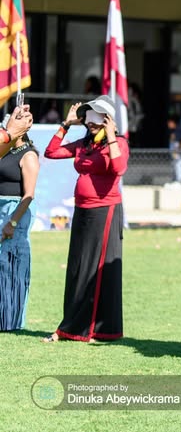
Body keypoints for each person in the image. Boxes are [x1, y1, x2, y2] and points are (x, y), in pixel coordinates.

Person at [42, 95, 129, 342]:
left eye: (97, 117)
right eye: (88, 117)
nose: (91, 122)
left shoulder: (118, 142)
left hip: (105, 211)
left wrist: (111, 134)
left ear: (107, 119)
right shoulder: (83, 144)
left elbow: (119, 168)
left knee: (97, 270)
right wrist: (66, 124)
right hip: (82, 212)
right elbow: (51, 152)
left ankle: (101, 329)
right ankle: (72, 327)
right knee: (79, 268)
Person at [0, 119, 40, 331]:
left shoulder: (29, 155)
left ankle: (11, 321)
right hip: (0, 211)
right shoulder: (5, 151)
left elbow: (29, 195)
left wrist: (12, 223)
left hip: (14, 214)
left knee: (11, 267)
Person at [127, 82, 144, 147]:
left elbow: (138, 112)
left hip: (134, 126)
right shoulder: (131, 100)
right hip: (130, 126)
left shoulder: (135, 101)